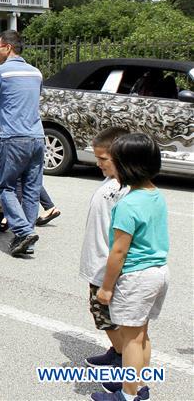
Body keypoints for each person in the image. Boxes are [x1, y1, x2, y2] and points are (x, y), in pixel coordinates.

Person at [92, 133, 169, 401]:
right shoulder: (154, 194)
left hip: (135, 277)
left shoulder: (127, 204)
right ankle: (138, 385)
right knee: (142, 335)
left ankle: (127, 395)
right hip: (157, 272)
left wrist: (106, 287)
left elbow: (119, 251)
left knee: (131, 340)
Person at [0, 29, 44, 257]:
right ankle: (27, 239)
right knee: (31, 189)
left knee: (5, 187)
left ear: (7, 48)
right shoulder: (36, 73)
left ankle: (23, 230)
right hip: (38, 137)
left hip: (14, 138)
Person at [79, 127, 130, 373]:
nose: (98, 163)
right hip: (98, 263)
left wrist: (111, 277)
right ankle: (117, 352)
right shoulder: (111, 181)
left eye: (103, 159)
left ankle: (124, 362)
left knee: (108, 316)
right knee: (103, 315)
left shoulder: (125, 189)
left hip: (108, 266)